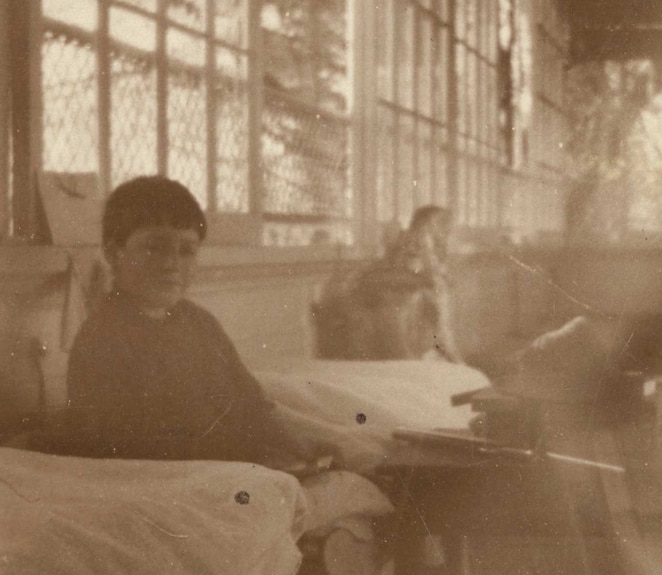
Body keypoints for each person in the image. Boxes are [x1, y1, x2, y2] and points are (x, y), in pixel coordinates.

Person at [54, 176, 392, 572]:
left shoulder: (197, 323)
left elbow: (254, 407)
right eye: (154, 247)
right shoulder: (105, 336)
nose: (171, 264)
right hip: (166, 490)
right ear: (114, 252)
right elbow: (127, 450)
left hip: (225, 478)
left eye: (186, 250)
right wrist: (256, 463)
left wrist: (327, 441)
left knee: (363, 479)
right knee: (310, 504)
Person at [316, 205, 464, 364]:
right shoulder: (409, 245)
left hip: (400, 295)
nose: (442, 231)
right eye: (436, 225)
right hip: (386, 296)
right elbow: (396, 272)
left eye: (444, 227)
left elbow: (430, 276)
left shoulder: (431, 254)